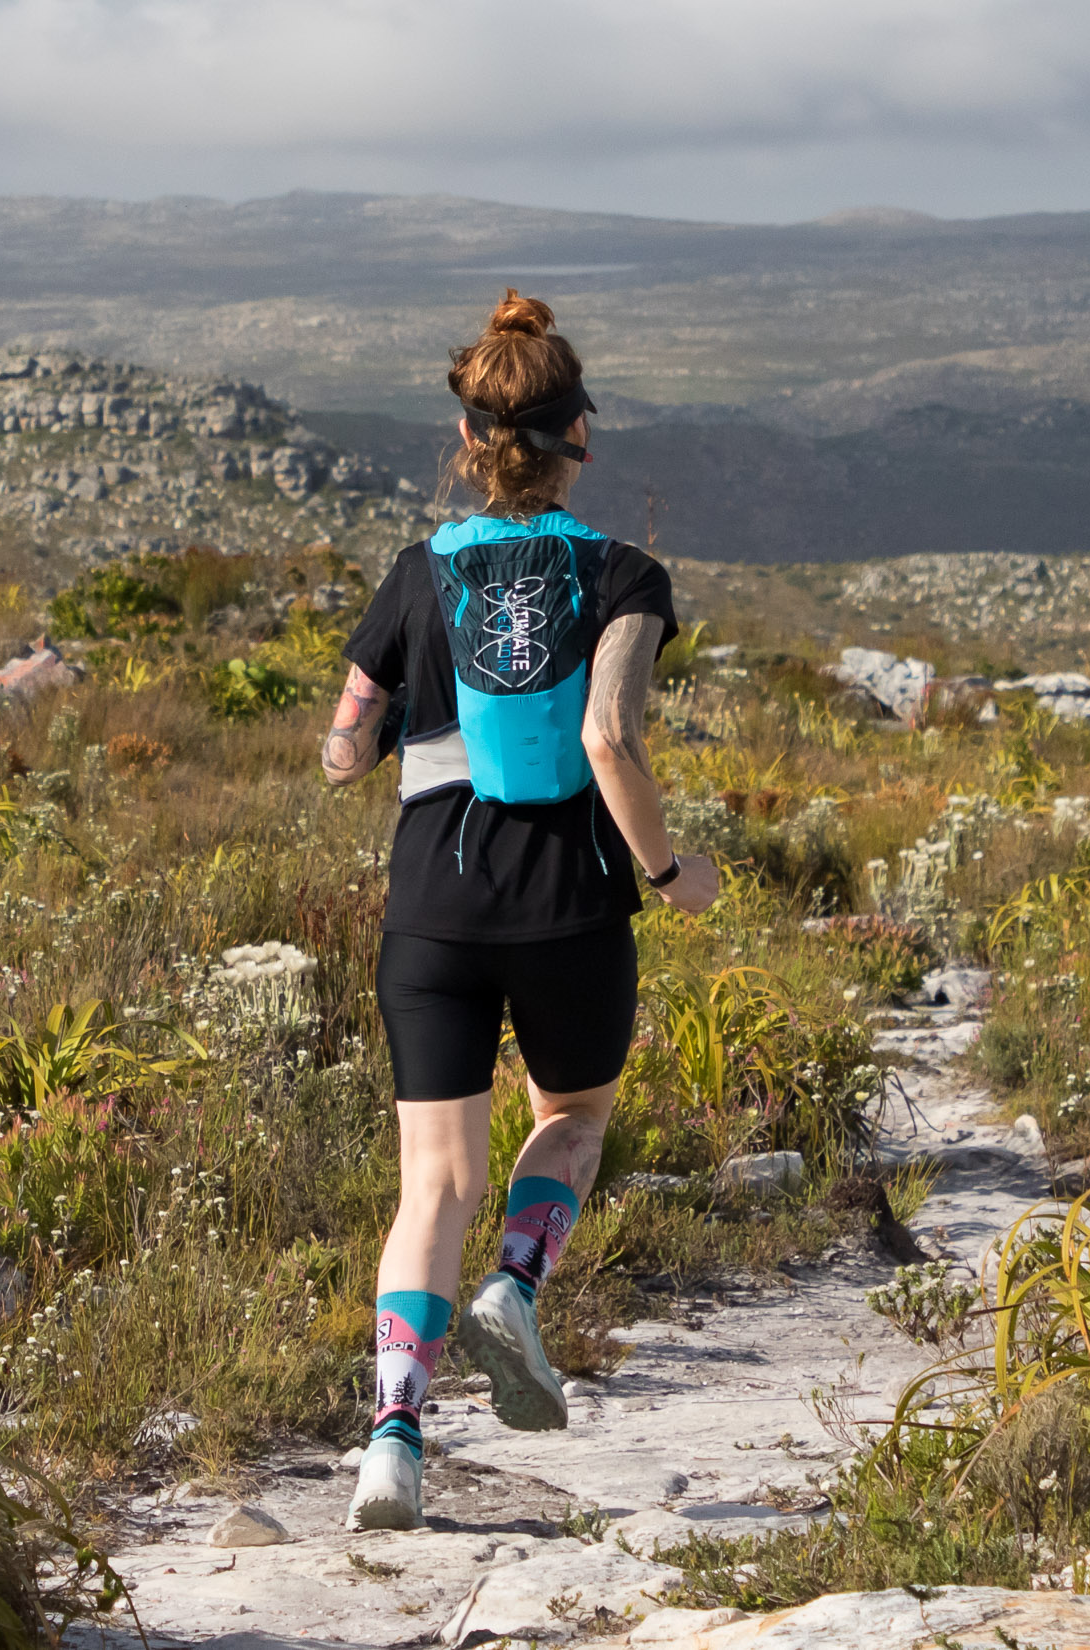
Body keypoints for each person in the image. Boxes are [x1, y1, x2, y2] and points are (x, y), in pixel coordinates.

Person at [321, 289, 719, 1531]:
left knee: (429, 1182)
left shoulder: (413, 572)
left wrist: (380, 726)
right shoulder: (623, 574)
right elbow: (608, 737)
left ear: (471, 444)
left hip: (430, 903)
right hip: (571, 901)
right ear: (578, 441)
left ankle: (391, 1437)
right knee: (575, 1119)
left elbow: (342, 750)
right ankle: (517, 1289)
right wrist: (669, 872)